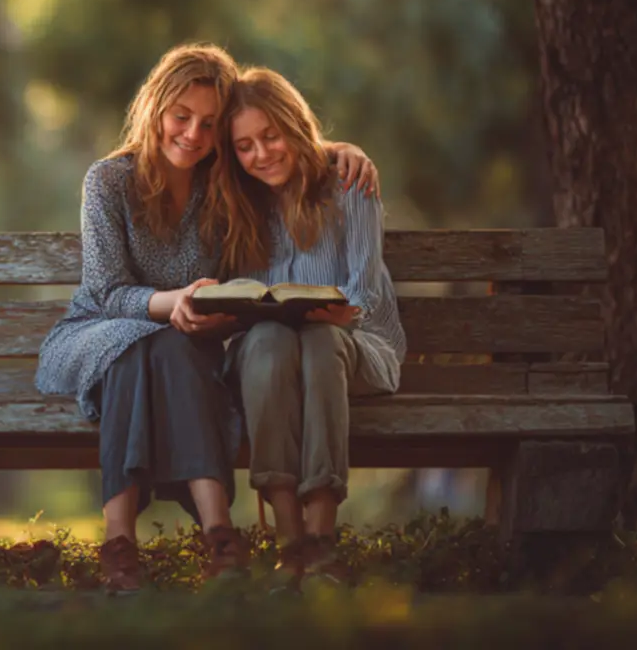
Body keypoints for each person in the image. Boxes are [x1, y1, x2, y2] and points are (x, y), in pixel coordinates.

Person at [34, 43, 379, 593]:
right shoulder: (108, 182)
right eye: (181, 117)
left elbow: (276, 147)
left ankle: (219, 536)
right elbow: (105, 293)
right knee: (136, 344)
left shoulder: (222, 184)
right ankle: (121, 539)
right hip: (95, 332)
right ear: (155, 108)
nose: (192, 134)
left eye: (208, 124)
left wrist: (337, 149)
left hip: (182, 341)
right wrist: (175, 303)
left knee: (172, 346)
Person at [218, 66, 406, 590]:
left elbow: (365, 291)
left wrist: (345, 315)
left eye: (271, 136)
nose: (261, 154)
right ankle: (289, 544)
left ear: (294, 125)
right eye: (245, 145)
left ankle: (321, 543)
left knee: (320, 340)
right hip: (268, 357)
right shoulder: (236, 203)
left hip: (353, 346)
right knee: (271, 340)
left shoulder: (348, 183)